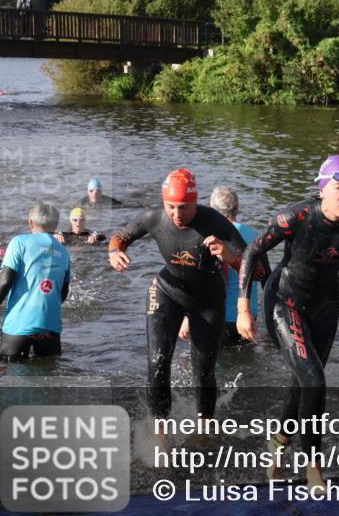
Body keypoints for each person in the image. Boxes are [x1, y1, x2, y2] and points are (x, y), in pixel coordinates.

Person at [237, 155, 339, 489]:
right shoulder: (297, 216)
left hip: (325, 307)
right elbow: (252, 252)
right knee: (314, 380)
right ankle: (313, 470)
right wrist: (243, 306)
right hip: (284, 300)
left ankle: (278, 441)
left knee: (305, 381)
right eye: (338, 187)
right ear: (323, 191)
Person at [108, 169, 266, 422]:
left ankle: (204, 428)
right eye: (171, 207)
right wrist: (114, 252)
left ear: (195, 201)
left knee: (203, 373)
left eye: (183, 207)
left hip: (208, 300)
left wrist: (230, 257)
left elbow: (260, 271)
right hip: (166, 292)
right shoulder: (154, 217)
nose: (177, 215)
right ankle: (160, 434)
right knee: (157, 363)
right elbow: (120, 237)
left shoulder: (215, 222)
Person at [180, 186, 270, 347]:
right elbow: (266, 278)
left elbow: (201, 282)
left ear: (212, 210)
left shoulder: (211, 238)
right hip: (249, 318)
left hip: (220, 319)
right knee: (244, 362)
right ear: (237, 207)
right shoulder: (255, 235)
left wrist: (188, 317)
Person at [0, 203, 71, 361]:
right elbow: (63, 293)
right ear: (56, 224)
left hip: (20, 324)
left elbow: (5, 280)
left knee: (11, 375)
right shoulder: (64, 252)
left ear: (30, 222)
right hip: (50, 326)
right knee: (47, 377)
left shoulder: (19, 242)